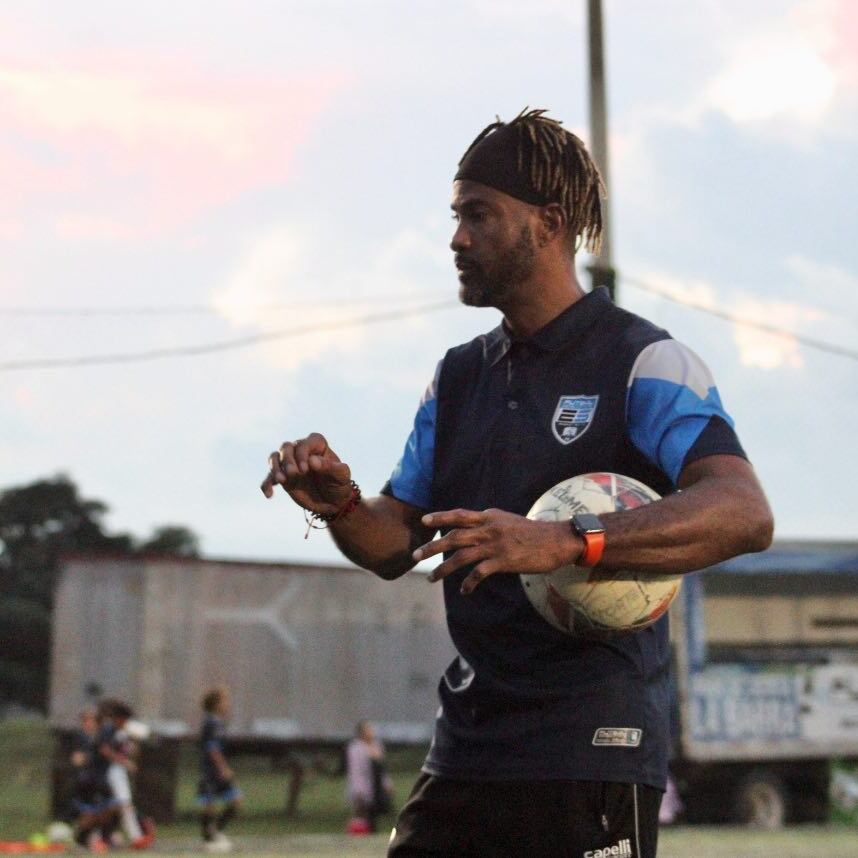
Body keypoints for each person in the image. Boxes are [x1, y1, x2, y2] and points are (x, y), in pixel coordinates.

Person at [260, 108, 773, 858]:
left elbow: (742, 512)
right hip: (470, 743)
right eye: (456, 216)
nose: (457, 238)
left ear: (549, 224)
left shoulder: (645, 362)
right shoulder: (459, 375)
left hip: (591, 745)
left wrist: (566, 540)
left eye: (479, 215)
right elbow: (396, 541)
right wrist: (339, 502)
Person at [92, 698, 154, 850]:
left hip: (117, 773)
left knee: (122, 805)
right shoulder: (108, 729)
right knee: (119, 805)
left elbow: (128, 750)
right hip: (106, 772)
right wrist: (124, 762)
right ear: (119, 718)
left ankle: (131, 837)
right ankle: (132, 836)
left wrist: (133, 746)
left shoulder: (122, 732)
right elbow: (104, 750)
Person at [197, 686, 242, 852]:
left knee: (235, 800)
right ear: (216, 703)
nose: (227, 704)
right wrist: (223, 768)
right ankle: (208, 839)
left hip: (216, 770)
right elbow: (212, 748)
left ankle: (216, 832)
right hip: (211, 771)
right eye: (224, 701)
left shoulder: (218, 722)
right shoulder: (212, 722)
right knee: (209, 803)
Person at [345, 720, 393, 833]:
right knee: (363, 813)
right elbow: (355, 770)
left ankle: (373, 832)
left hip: (377, 785)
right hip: (364, 786)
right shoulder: (355, 748)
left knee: (376, 813)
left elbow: (382, 768)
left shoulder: (377, 745)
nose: (371, 732)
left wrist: (387, 783)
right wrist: (358, 790)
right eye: (368, 729)